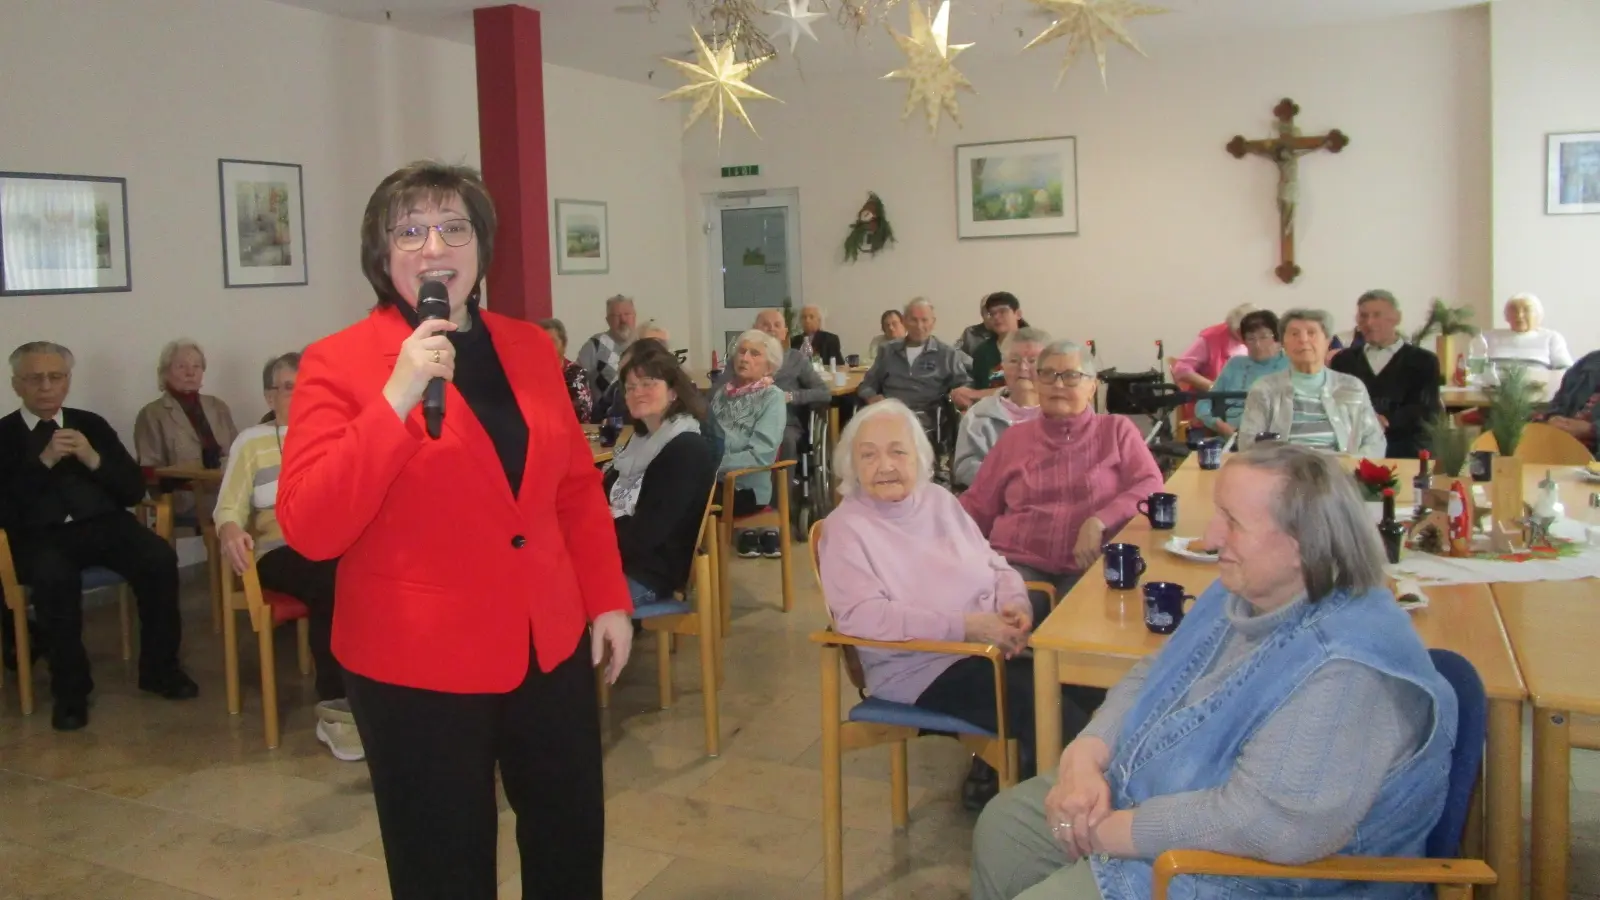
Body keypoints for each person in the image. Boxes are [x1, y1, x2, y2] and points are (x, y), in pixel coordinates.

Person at [276, 161, 633, 900]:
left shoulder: (529, 347)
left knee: (569, 844)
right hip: (417, 661)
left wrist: (606, 597)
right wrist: (397, 396)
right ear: (381, 253)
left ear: (481, 246)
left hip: (547, 641)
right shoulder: (337, 363)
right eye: (410, 230)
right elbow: (311, 528)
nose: (434, 246)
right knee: (443, 867)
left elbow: (572, 489)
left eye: (453, 227)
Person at [971, 443, 1457, 900]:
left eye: (1233, 522)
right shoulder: (1242, 592)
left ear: (1301, 545)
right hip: (1163, 795)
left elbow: (1267, 825)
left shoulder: (1348, 672)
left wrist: (1106, 832)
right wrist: (1084, 758)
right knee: (1005, 829)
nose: (1210, 538)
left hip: (1257, 874)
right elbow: (1156, 674)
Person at [821, 399, 1104, 809]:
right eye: (868, 455)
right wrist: (967, 626)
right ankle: (1050, 822)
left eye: (897, 451)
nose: (885, 466)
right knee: (1049, 709)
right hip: (922, 667)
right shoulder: (845, 529)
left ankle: (1036, 788)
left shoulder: (938, 500)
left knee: (1087, 682)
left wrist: (1015, 604)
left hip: (983, 648)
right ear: (850, 464)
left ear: (919, 457)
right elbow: (861, 617)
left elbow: (993, 563)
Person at [1, 341, 196, 732]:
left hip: (103, 525)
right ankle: (71, 692)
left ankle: (160, 669)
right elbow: (6, 508)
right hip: (39, 535)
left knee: (158, 558)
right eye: (35, 378)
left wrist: (93, 458)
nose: (46, 386)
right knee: (54, 579)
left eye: (55, 377)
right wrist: (43, 462)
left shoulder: (90, 424)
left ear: (67, 381)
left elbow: (131, 490)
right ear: (16, 384)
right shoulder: (4, 435)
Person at [214, 351, 357, 760]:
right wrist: (229, 529)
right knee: (332, 579)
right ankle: (338, 707)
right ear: (269, 396)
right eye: (291, 387)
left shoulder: (338, 436)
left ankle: (389, 693)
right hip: (280, 550)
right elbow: (227, 508)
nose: (304, 395)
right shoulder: (252, 442)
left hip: (335, 544)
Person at [961, 341, 1165, 610]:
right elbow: (978, 504)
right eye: (1048, 374)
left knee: (1088, 619)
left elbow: (1151, 484)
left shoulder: (1116, 430)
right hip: (1018, 564)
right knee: (1003, 614)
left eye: (1071, 376)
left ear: (1092, 387)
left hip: (1093, 565)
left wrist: (1099, 521)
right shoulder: (1014, 438)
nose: (1057, 385)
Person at [605, 341, 718, 607]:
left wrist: (595, 535)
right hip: (620, 558)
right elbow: (603, 494)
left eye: (648, 384)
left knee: (556, 603)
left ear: (673, 392)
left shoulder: (686, 449)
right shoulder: (640, 440)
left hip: (651, 575)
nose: (637, 393)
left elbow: (647, 536)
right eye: (630, 387)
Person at [1239, 308, 1386, 457]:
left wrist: (1350, 464)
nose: (1303, 340)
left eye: (1311, 333)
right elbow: (1248, 442)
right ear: (1283, 344)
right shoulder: (1264, 388)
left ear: (1327, 341)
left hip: (1340, 467)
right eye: (1294, 334)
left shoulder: (1351, 386)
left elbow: (1375, 442)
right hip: (1284, 467)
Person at [134, 337, 240, 516]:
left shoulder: (218, 407)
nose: (190, 372)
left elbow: (238, 453)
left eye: (196, 366)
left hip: (227, 496)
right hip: (183, 501)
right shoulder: (152, 414)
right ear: (165, 372)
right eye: (181, 366)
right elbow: (150, 471)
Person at [1329, 290, 1441, 459]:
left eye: (1377, 315)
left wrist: (1382, 421)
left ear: (1397, 318)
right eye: (1363, 316)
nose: (1369, 322)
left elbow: (1426, 410)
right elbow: (1335, 404)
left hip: (1406, 449)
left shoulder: (1424, 361)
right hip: (1355, 450)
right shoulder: (1343, 360)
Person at [712, 330, 789, 560]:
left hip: (744, 489)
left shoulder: (772, 397)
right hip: (713, 480)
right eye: (742, 351)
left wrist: (712, 465)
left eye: (754, 354)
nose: (744, 358)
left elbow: (761, 456)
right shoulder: (723, 393)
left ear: (769, 366)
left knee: (683, 499)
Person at [858, 298, 970, 451]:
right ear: (904, 321)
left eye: (924, 320)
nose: (919, 326)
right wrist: (872, 397)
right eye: (914, 320)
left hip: (928, 419)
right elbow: (867, 385)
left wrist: (960, 396)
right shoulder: (888, 350)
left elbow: (964, 385)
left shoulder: (946, 354)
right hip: (890, 413)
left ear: (933, 322)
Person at [953, 327, 1049, 488]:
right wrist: (1010, 483)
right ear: (1002, 366)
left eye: (1032, 361)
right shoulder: (979, 415)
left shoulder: (1062, 413)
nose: (1023, 368)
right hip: (994, 498)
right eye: (1014, 361)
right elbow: (965, 468)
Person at [1195, 309, 1287, 439]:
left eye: (1264, 337)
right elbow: (1204, 403)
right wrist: (1218, 424)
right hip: (1232, 437)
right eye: (1250, 338)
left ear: (1278, 339)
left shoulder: (1292, 365)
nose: (1257, 345)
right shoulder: (1235, 364)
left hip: (1274, 439)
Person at [955, 291, 1023, 411]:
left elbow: (1030, 388)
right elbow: (978, 388)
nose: (996, 317)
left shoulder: (1032, 347)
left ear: (1018, 314)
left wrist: (976, 394)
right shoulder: (982, 352)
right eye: (992, 314)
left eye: (1002, 311)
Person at [1484, 293, 1574, 376]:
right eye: (1514, 310)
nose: (1519, 315)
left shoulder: (1551, 337)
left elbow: (1565, 370)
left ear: (1539, 315)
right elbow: (1477, 368)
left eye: (1527, 310)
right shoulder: (1489, 337)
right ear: (1506, 316)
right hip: (1493, 386)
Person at [1172, 303, 1255, 391]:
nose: (1249, 336)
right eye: (1242, 331)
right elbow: (1181, 369)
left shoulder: (1258, 340)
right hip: (1212, 396)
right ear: (1232, 327)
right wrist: (1213, 387)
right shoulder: (1211, 337)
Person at [1533, 348, 1600, 454]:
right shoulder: (1591, 362)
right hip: (1562, 446)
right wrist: (1554, 417)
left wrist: (1591, 429)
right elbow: (1560, 401)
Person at [576, 294, 636, 403]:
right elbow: (577, 378)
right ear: (608, 320)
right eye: (616, 316)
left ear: (634, 317)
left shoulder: (644, 343)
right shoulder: (595, 344)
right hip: (604, 411)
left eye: (627, 314)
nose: (623, 320)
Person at [537, 318, 594, 423]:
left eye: (553, 341)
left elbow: (581, 412)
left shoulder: (576, 373)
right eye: (542, 341)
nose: (547, 346)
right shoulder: (531, 373)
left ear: (564, 344)